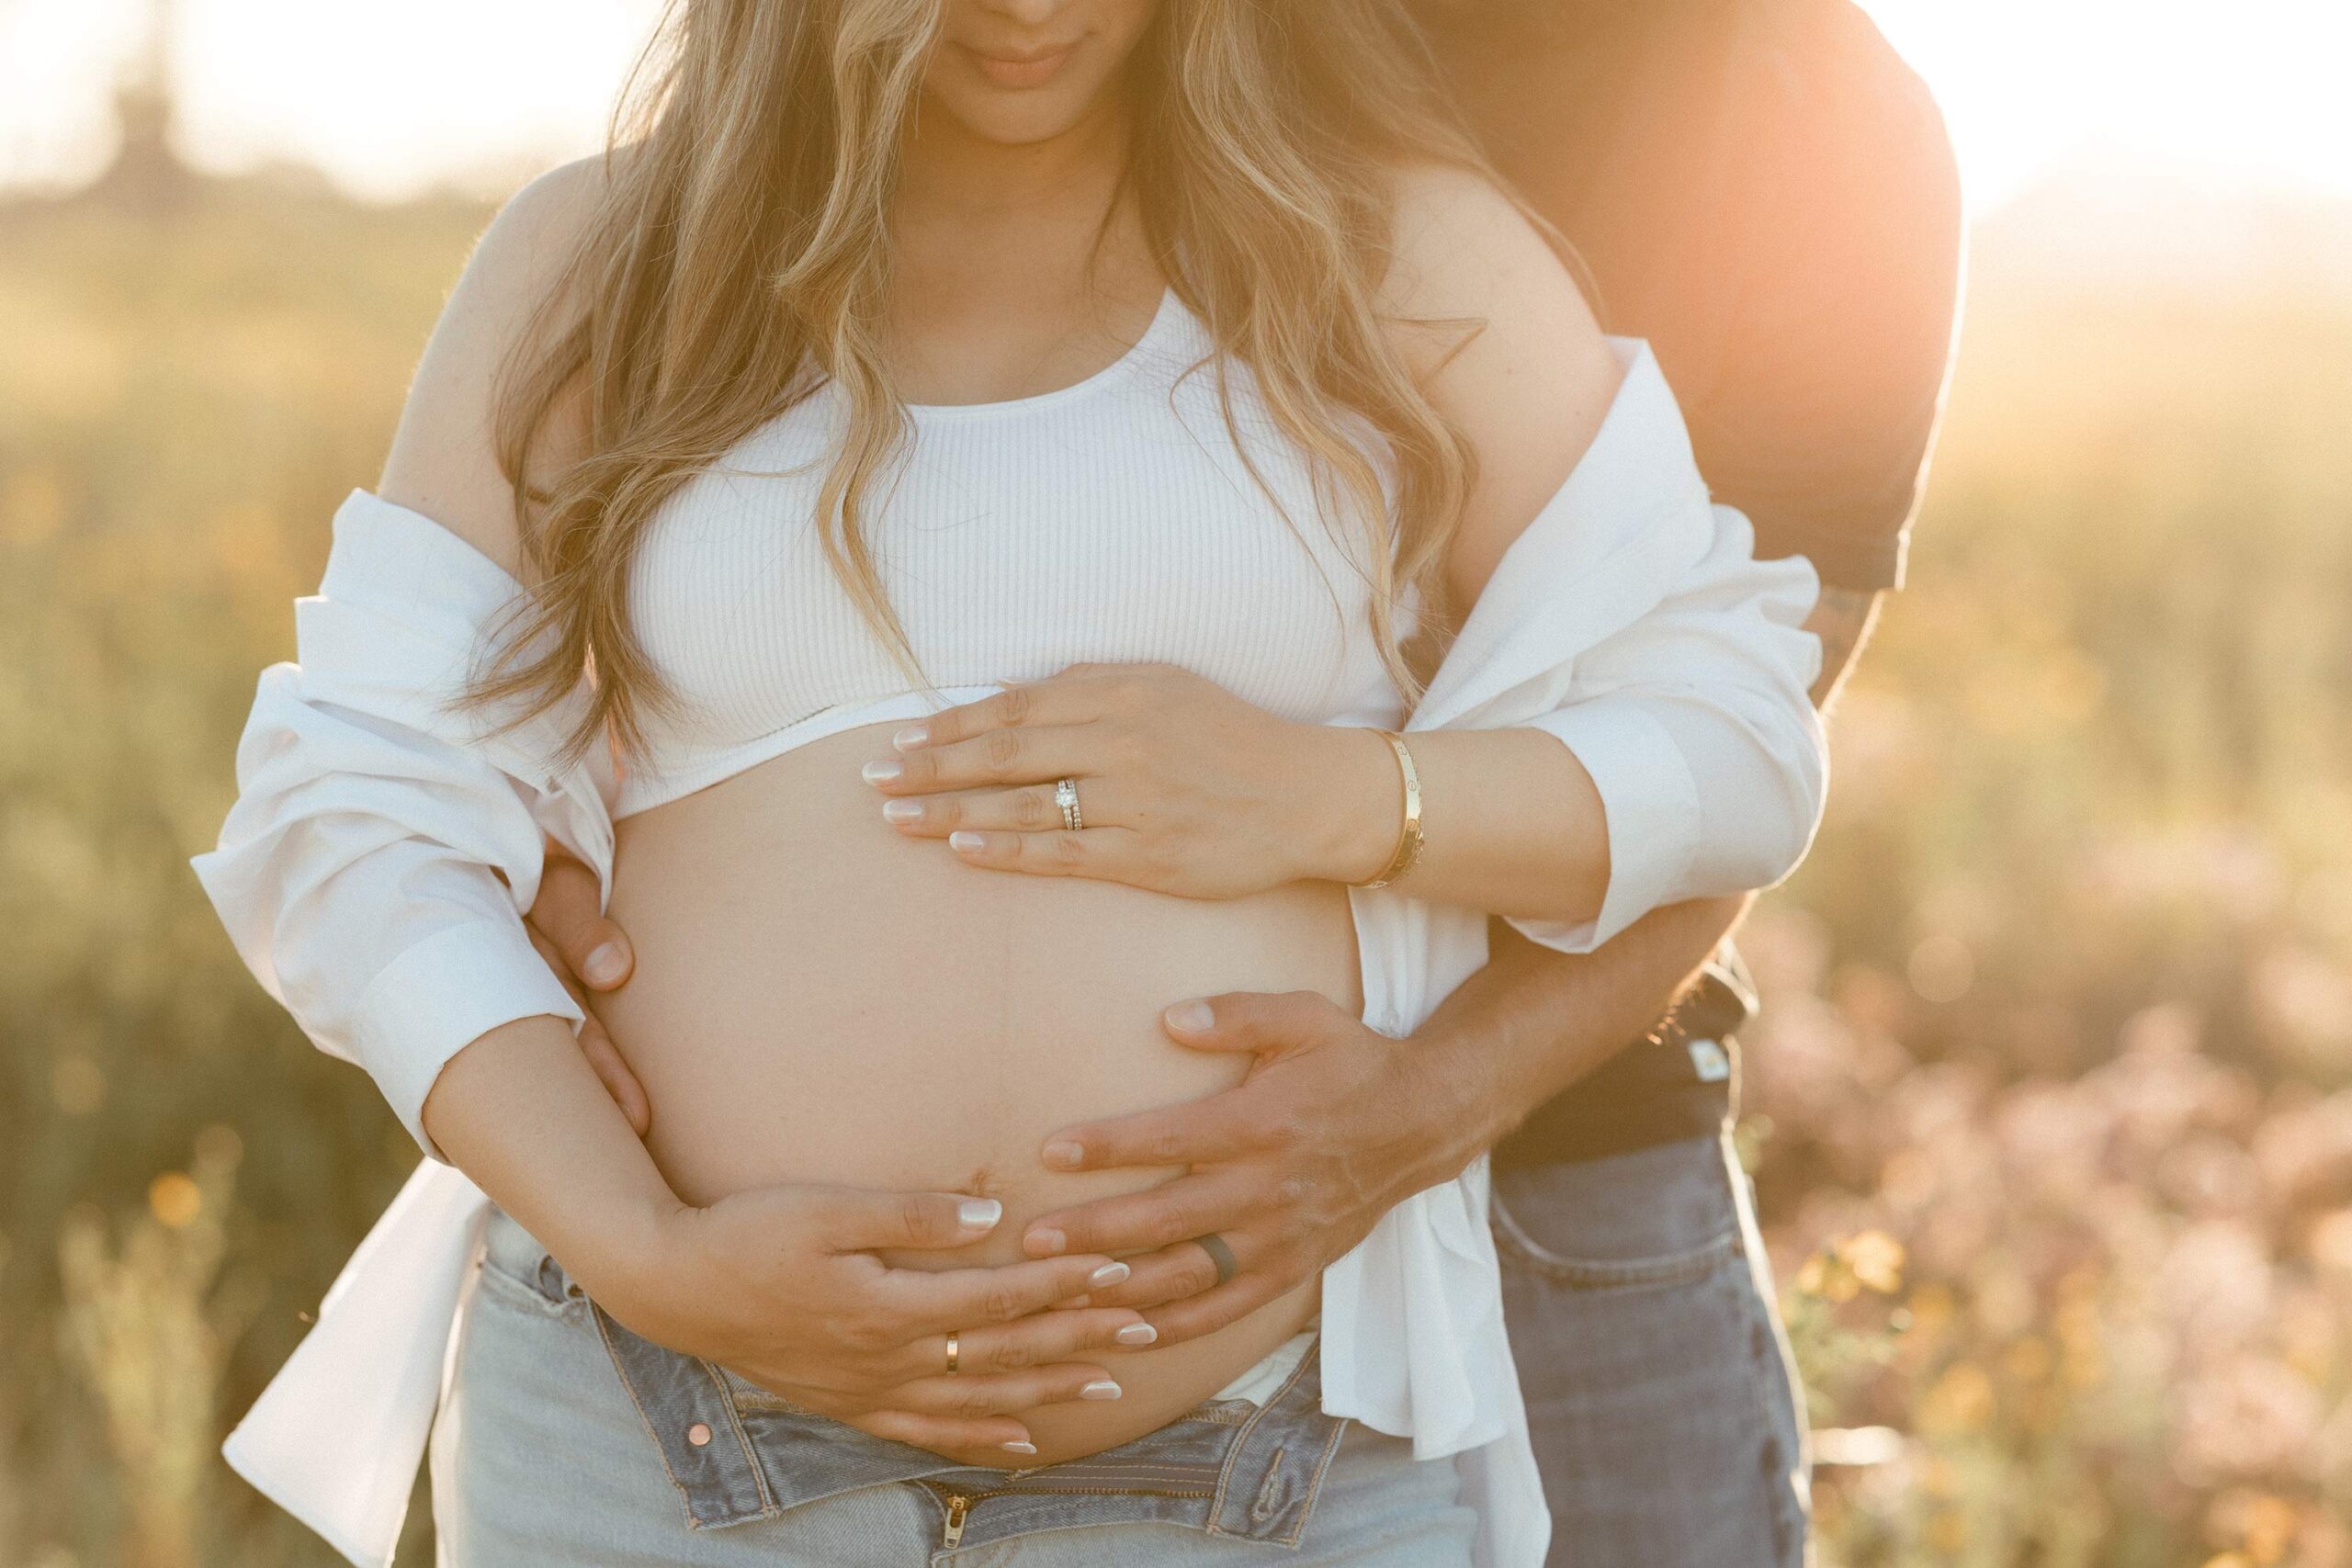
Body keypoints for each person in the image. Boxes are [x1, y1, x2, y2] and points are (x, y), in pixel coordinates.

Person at [193, 2, 1827, 1564]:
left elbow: (1737, 739)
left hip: (1262, 1476)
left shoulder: (1398, 260)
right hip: (651, 1442)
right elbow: (351, 804)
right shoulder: (611, 263)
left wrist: (1338, 798)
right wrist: (652, 1252)